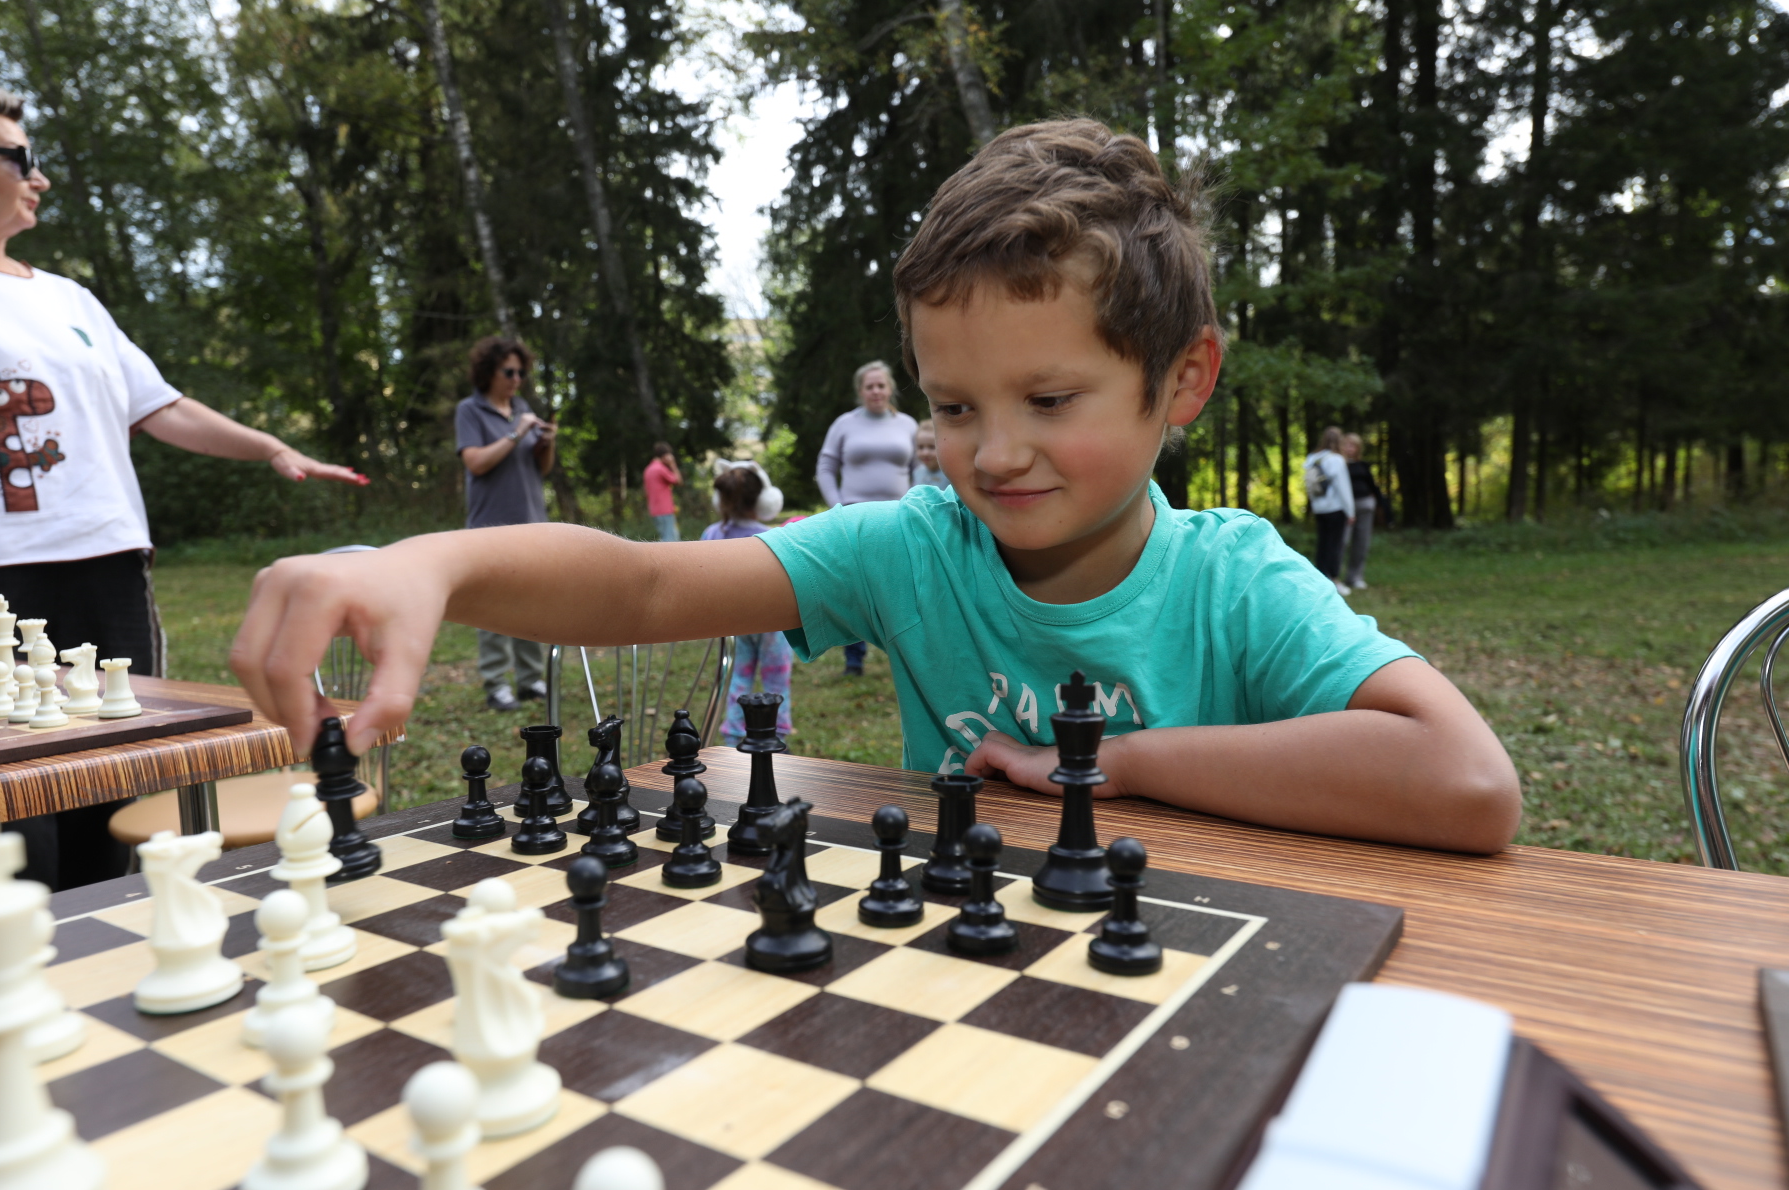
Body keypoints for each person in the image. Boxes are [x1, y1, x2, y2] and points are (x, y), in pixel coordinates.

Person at [235, 119, 1520, 856]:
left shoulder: (1234, 577)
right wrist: (432, 563)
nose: (992, 452)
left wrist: (1118, 761)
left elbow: (1467, 782)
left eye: (1048, 400)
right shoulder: (911, 546)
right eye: (955, 406)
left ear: (1182, 381)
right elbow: (637, 584)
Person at [0, 70, 363, 888]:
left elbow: (160, 406)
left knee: (119, 806)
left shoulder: (69, 298)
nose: (40, 175)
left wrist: (269, 444)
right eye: (19, 156)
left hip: (110, 573)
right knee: (7, 832)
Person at [456, 334, 557, 713]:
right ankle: (497, 683)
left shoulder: (523, 407)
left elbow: (540, 469)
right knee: (492, 606)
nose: (517, 378)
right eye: (509, 371)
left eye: (521, 372)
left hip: (531, 523)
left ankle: (531, 679)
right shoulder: (470, 410)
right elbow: (476, 462)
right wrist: (516, 432)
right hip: (489, 526)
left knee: (533, 603)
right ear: (489, 372)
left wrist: (546, 443)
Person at [816, 360, 918, 675]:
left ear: (890, 388)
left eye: (881, 385)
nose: (876, 391)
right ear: (860, 391)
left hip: (898, 519)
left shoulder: (908, 425)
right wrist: (837, 506)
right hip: (853, 519)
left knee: (900, 587)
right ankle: (854, 658)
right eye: (869, 386)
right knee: (854, 587)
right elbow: (825, 467)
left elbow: (919, 469)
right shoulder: (844, 424)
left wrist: (915, 505)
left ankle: (905, 656)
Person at [703, 464, 793, 745]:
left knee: (737, 677)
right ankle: (776, 735)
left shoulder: (711, 535)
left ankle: (733, 735)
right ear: (763, 500)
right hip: (772, 624)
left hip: (732, 624)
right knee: (776, 678)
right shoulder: (774, 536)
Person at [1303, 426, 1354, 595]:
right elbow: (1343, 487)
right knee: (1335, 545)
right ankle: (1335, 579)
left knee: (1323, 544)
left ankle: (1320, 578)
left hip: (1319, 509)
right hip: (1335, 508)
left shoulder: (1312, 458)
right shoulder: (1336, 459)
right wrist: (1350, 511)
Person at [1341, 432, 1380, 591]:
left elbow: (1373, 486)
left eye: (1353, 445)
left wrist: (1380, 505)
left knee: (1361, 543)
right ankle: (1334, 576)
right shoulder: (1338, 464)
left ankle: (1355, 577)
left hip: (1365, 506)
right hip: (1345, 508)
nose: (1350, 449)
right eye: (1347, 445)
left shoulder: (1363, 465)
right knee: (1343, 541)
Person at [642, 442, 681, 541]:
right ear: (665, 456)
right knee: (670, 541)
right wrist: (673, 465)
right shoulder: (660, 469)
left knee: (665, 538)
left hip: (654, 511)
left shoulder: (648, 469)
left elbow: (646, 492)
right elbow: (678, 481)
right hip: (665, 510)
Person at [912, 419, 949, 489]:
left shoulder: (951, 475)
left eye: (932, 447)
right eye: (920, 447)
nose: (925, 453)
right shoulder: (917, 472)